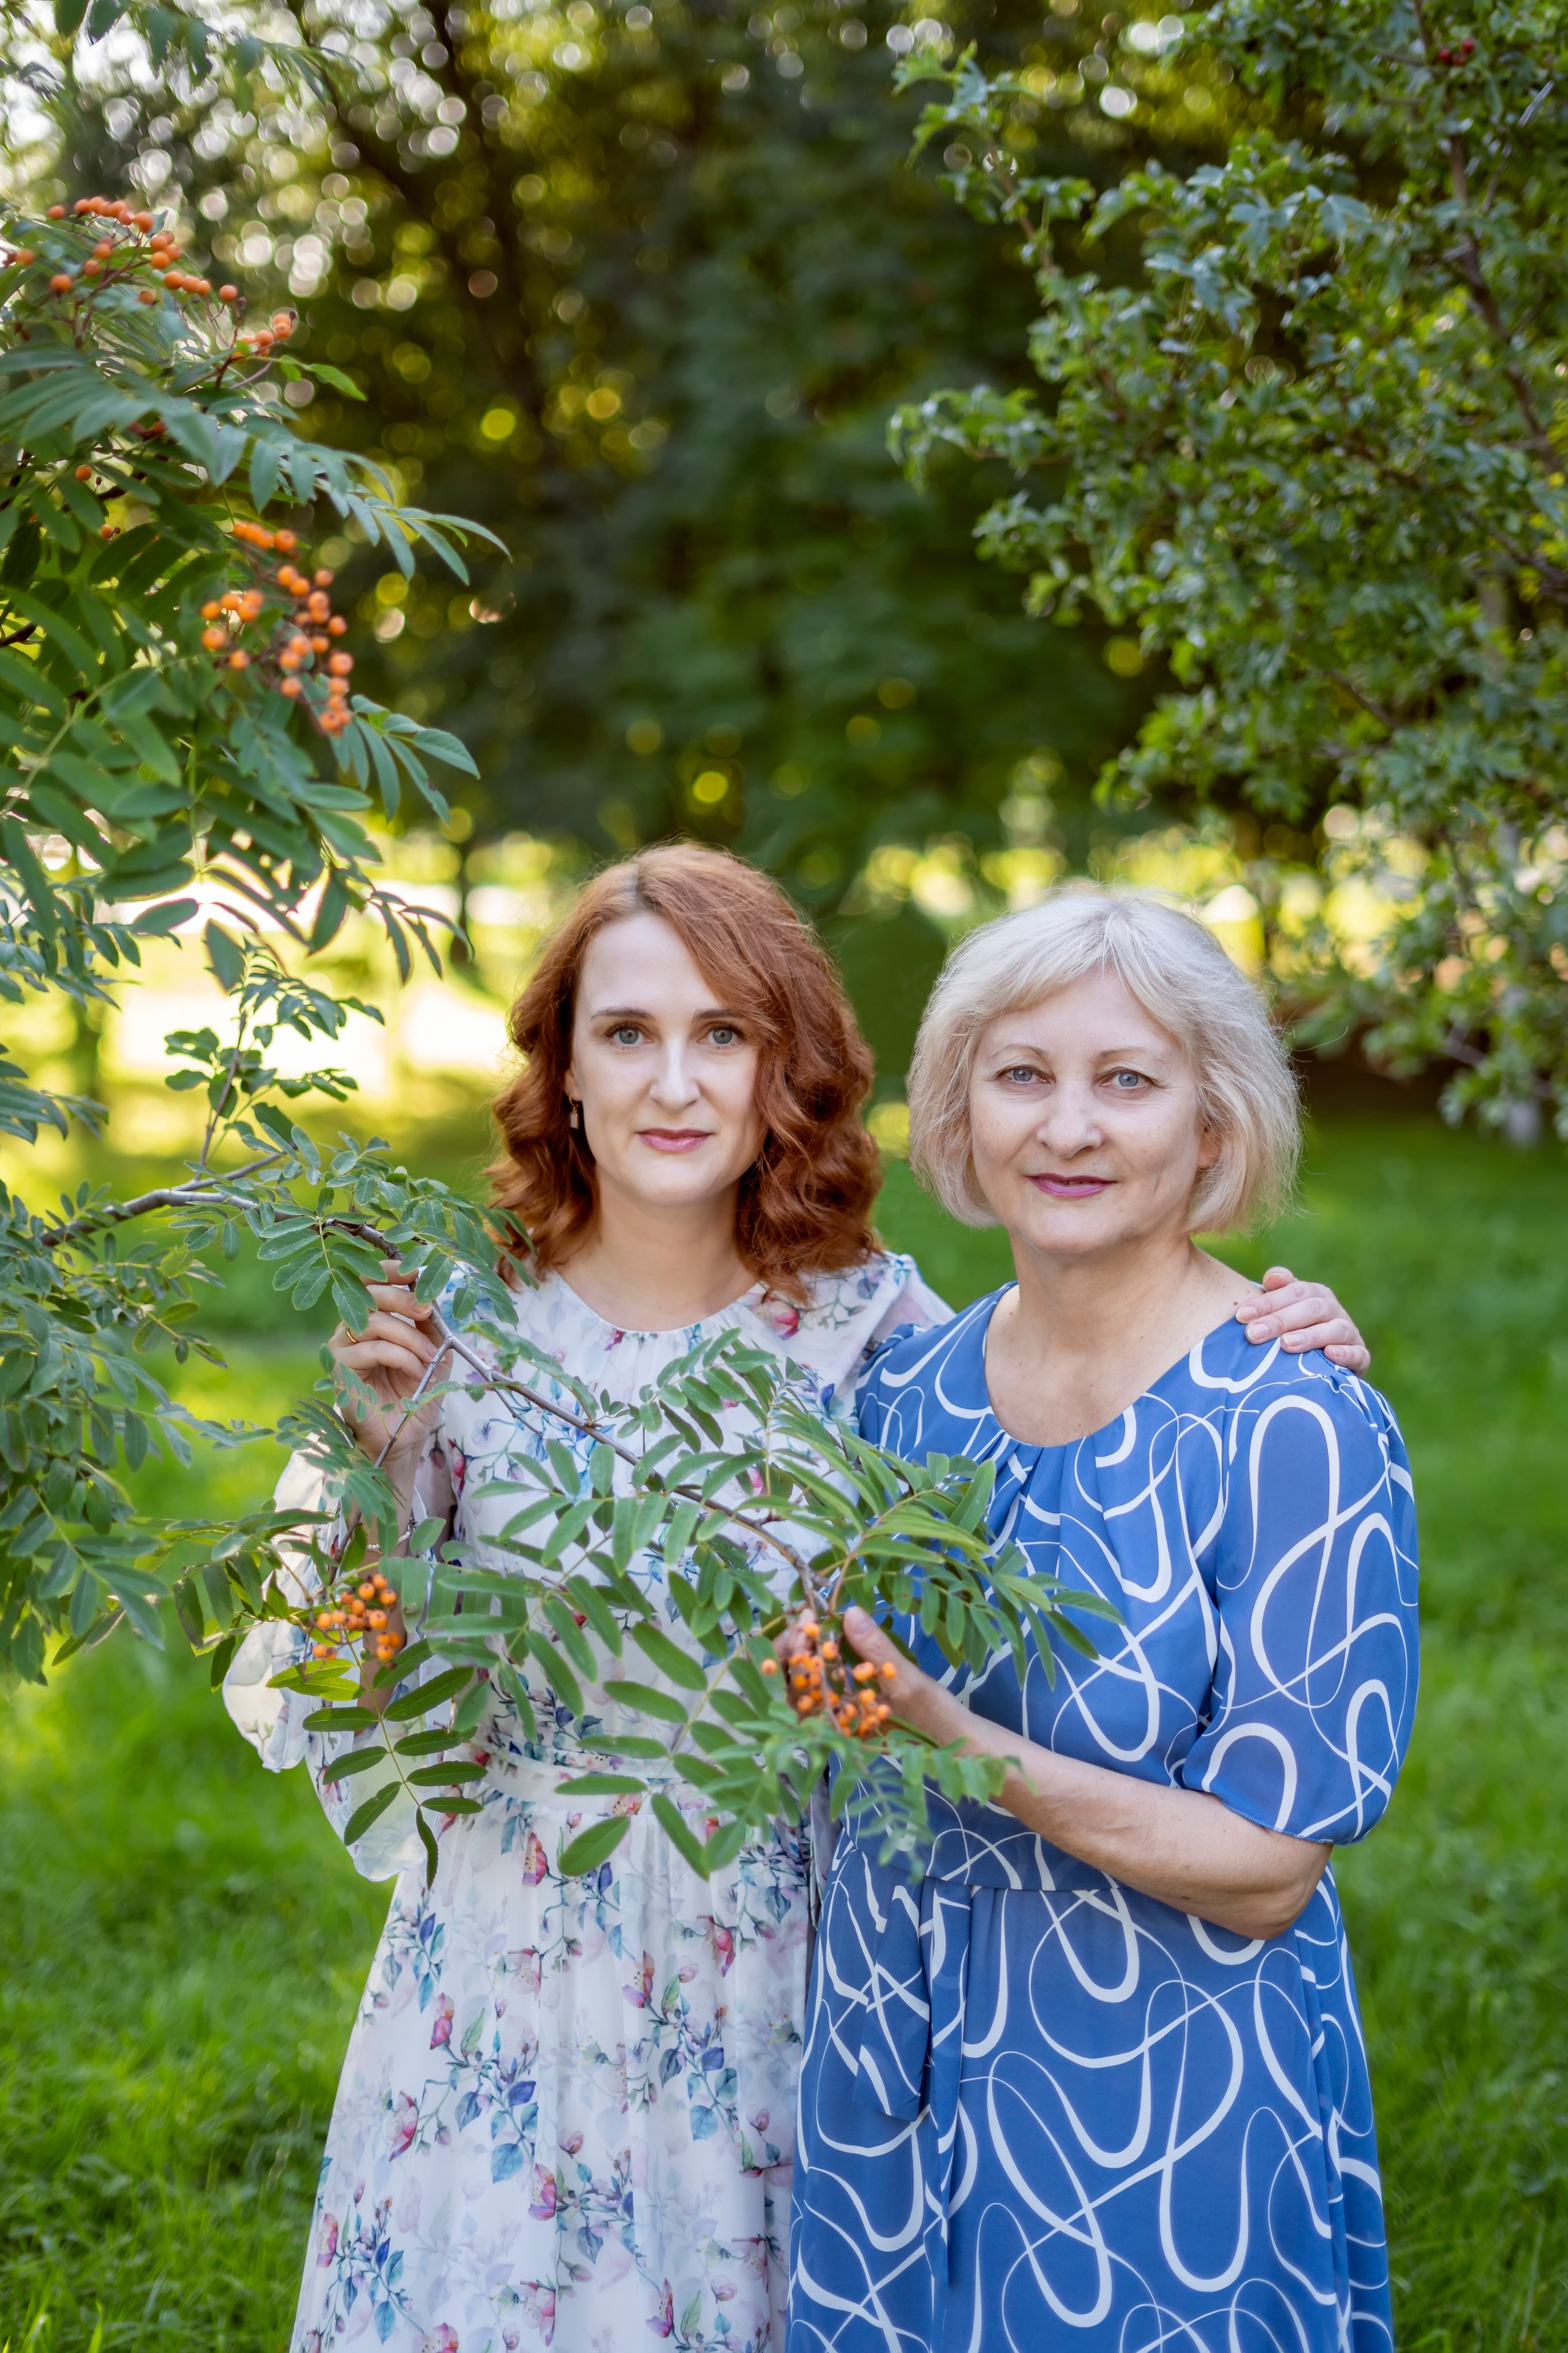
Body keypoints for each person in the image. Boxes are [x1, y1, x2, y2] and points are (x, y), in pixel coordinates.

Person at [222, 847, 1367, 2353]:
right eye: (626, 1033)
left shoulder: (875, 1342)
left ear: (786, 1070)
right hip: (502, 1971)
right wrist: (375, 1470)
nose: (672, 1083)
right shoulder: (454, 1330)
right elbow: (339, 1691)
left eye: (723, 1034)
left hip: (774, 1969)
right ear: (562, 1067)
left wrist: (1274, 1326)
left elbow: (1082, 1395)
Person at [788, 886, 1418, 2353]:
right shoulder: (897, 1397)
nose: (1065, 1126)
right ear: (959, 1111)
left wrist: (956, 1741)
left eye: (1125, 1080)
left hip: (1159, 2108)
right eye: (1021, 1074)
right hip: (891, 2071)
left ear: (1211, 1125)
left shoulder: (1294, 1426)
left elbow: (1266, 1870)